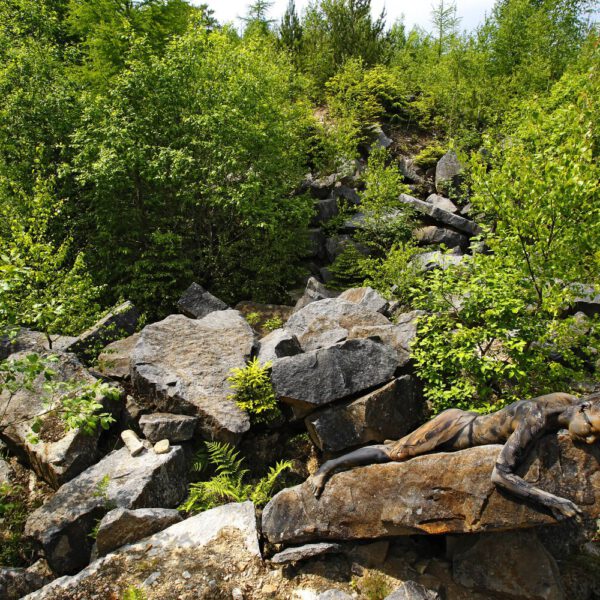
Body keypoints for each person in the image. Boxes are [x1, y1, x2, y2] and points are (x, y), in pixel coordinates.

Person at [310, 392, 600, 520]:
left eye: (595, 436)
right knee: (395, 452)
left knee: (399, 447)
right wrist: (551, 500)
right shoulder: (537, 419)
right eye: (589, 429)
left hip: (468, 422)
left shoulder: (566, 402)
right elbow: (501, 475)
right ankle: (329, 466)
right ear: (584, 408)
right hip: (455, 429)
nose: (589, 439)